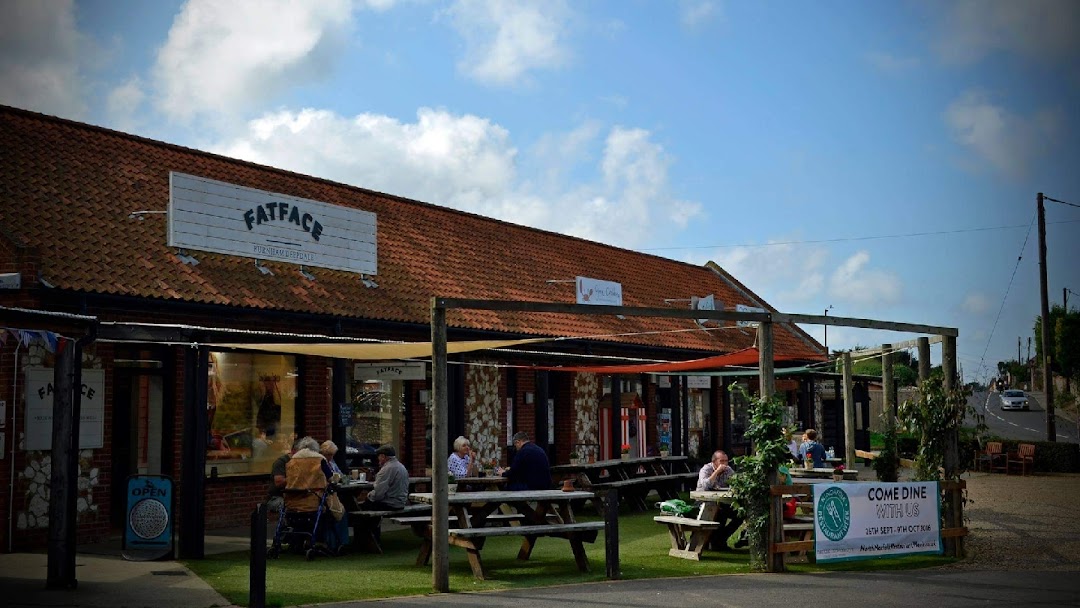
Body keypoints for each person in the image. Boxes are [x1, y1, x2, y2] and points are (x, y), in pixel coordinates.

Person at [696, 450, 746, 549]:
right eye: (721, 461)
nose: (724, 464)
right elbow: (706, 486)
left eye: (726, 461)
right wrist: (717, 471)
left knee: (740, 514)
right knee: (719, 513)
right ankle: (712, 542)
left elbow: (737, 483)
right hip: (703, 501)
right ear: (714, 462)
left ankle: (720, 539)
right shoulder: (706, 469)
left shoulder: (728, 470)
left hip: (722, 501)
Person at [360, 444, 409, 511]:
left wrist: (368, 496)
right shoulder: (401, 467)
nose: (378, 459)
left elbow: (378, 494)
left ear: (383, 456)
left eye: (379, 456)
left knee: (360, 508)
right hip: (400, 504)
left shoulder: (386, 469)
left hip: (389, 504)